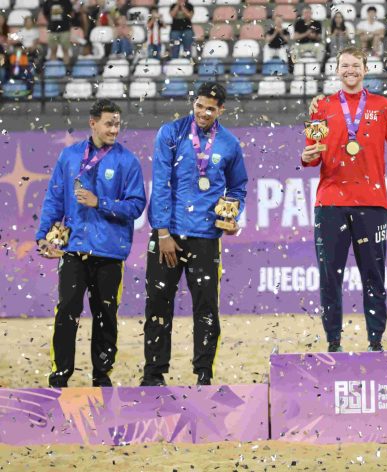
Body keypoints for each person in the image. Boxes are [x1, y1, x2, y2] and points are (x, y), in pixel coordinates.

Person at [141, 82, 248, 386]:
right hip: (169, 234)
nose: (203, 113)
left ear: (221, 110)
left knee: (206, 308)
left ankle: (204, 374)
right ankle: (154, 375)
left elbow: (238, 187)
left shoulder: (228, 143)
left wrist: (231, 216)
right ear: (194, 103)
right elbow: (160, 183)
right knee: (158, 306)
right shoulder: (171, 133)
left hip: (205, 236)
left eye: (210, 108)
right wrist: (162, 232)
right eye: (199, 106)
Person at [36, 99, 146, 388]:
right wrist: (43, 235)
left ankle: (101, 375)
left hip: (110, 252)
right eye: (109, 123)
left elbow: (136, 206)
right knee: (67, 311)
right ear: (93, 123)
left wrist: (101, 203)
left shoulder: (127, 161)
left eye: (117, 124)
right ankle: (60, 375)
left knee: (105, 315)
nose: (114, 129)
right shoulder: (69, 156)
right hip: (73, 250)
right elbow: (54, 198)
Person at [301, 47, 387, 352]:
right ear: (336, 70)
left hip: (371, 204)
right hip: (330, 202)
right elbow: (311, 153)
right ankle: (334, 342)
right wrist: (306, 156)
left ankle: (375, 342)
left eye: (355, 65)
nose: (350, 70)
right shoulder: (323, 106)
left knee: (373, 275)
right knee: (330, 277)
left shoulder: (383, 107)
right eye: (344, 65)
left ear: (366, 68)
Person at [43, 0, 74, 65]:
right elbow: (45, 14)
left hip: (64, 29)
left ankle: (66, 69)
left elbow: (70, 13)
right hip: (52, 30)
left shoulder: (66, 1)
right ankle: (53, 70)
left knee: (65, 50)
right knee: (53, 50)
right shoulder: (48, 2)